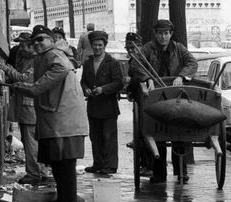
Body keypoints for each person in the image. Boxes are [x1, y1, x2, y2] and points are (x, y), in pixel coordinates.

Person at [10, 25, 88, 202]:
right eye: (34, 41)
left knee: (65, 164)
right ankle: (63, 199)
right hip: (57, 120)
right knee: (58, 164)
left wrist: (35, 86)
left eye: (41, 39)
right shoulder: (45, 56)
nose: (37, 43)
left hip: (64, 121)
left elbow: (59, 70)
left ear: (51, 40)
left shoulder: (53, 54)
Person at [130, 19, 198, 183]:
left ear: (171, 34)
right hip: (155, 95)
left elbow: (192, 62)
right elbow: (134, 64)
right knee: (157, 132)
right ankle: (159, 173)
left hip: (175, 94)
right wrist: (147, 78)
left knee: (179, 131)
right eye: (160, 33)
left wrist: (181, 76)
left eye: (166, 33)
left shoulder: (179, 48)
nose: (163, 37)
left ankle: (181, 171)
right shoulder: (147, 48)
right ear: (155, 34)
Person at [0, 32, 51, 184]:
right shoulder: (25, 59)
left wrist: (7, 69)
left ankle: (35, 173)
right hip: (24, 107)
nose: (20, 48)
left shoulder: (36, 61)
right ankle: (37, 171)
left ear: (31, 45)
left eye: (22, 45)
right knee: (30, 142)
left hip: (30, 107)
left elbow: (23, 79)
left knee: (31, 143)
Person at [81, 31, 123, 175]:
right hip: (93, 107)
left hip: (108, 107)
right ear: (91, 46)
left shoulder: (113, 63)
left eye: (100, 45)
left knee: (109, 137)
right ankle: (98, 163)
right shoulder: (87, 63)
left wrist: (103, 89)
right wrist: (85, 89)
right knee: (95, 137)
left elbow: (119, 83)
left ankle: (110, 165)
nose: (97, 48)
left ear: (104, 46)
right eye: (95, 45)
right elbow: (83, 81)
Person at [123, 32, 153, 177]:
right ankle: (144, 164)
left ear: (140, 47)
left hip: (146, 101)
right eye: (129, 47)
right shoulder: (133, 60)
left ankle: (148, 165)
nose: (131, 50)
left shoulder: (143, 60)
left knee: (144, 133)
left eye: (134, 47)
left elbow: (143, 80)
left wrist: (129, 81)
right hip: (138, 101)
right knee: (140, 133)